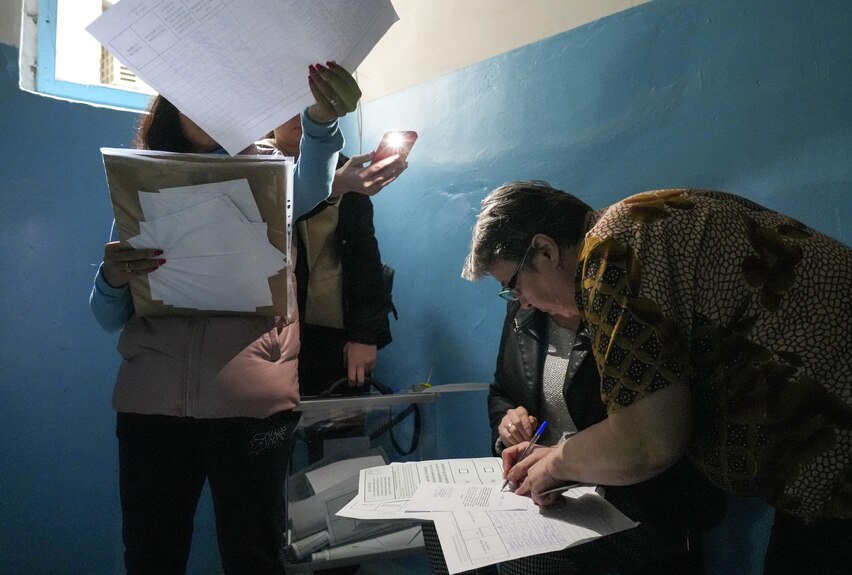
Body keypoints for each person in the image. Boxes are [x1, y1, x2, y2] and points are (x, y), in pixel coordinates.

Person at [462, 181, 852, 574]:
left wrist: (552, 467)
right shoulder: (645, 223)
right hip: (829, 461)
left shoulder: (612, 251)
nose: (523, 304)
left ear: (546, 250)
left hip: (844, 459)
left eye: (513, 287)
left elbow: (646, 442)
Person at [89, 62, 363, 575]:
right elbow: (109, 316)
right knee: (150, 557)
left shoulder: (270, 172)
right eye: (196, 94)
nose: (213, 108)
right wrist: (111, 280)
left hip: (250, 406)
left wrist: (322, 122)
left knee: (253, 558)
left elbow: (316, 181)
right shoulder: (144, 178)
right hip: (151, 409)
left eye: (227, 95)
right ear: (172, 102)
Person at [422, 299, 725, 575]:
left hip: (619, 492)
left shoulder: (617, 312)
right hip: (541, 483)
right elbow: (501, 392)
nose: (519, 296)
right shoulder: (523, 312)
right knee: (444, 526)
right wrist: (508, 421)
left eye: (516, 281)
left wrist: (559, 462)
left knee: (529, 560)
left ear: (547, 253)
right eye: (507, 289)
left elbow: (642, 438)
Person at [266, 116, 405, 397]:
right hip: (269, 328)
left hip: (333, 328)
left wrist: (365, 336)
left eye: (308, 107)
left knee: (341, 428)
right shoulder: (256, 162)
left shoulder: (343, 169)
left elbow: (364, 254)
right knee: (270, 430)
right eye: (288, 106)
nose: (299, 117)